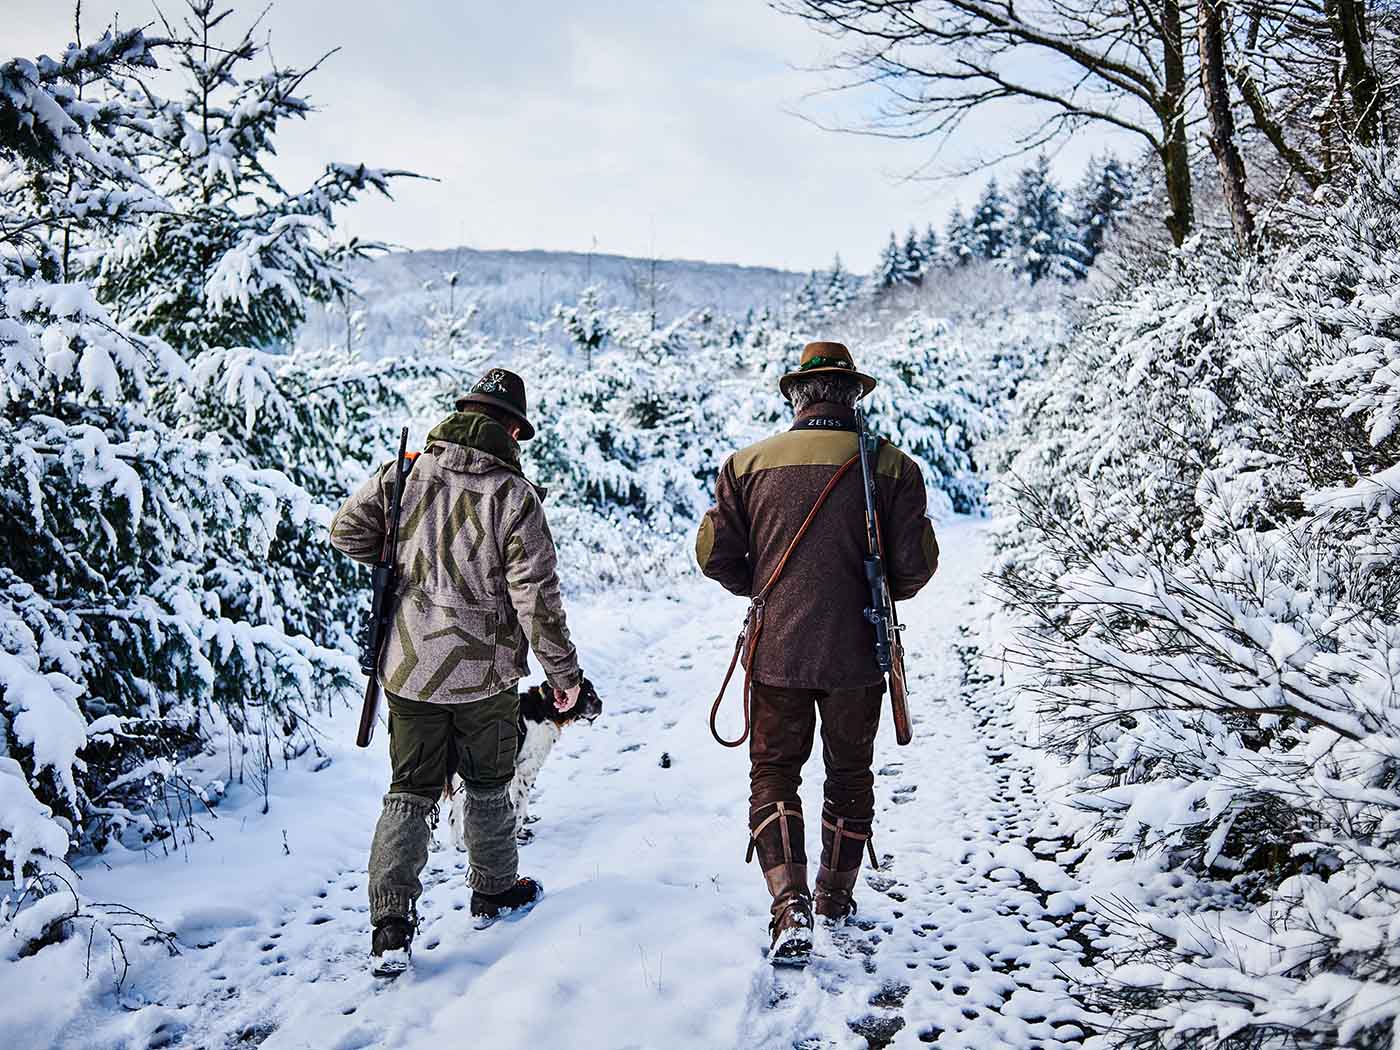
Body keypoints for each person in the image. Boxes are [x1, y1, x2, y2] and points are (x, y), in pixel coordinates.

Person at [329, 367, 583, 977]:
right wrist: (563, 674)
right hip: (484, 672)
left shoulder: (407, 471)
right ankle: (493, 889)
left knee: (410, 789)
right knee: (489, 782)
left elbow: (345, 533)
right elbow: (536, 600)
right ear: (513, 431)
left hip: (409, 665)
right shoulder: (514, 496)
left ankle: (391, 923)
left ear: (463, 411)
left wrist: (400, 555)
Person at [696, 341, 939, 965]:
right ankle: (833, 896)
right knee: (850, 773)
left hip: (775, 650)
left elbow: (713, 557)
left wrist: (770, 588)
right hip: (860, 652)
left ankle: (788, 907)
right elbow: (915, 568)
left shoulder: (745, 465)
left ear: (796, 398)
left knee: (774, 772)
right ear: (852, 394)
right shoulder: (893, 467)